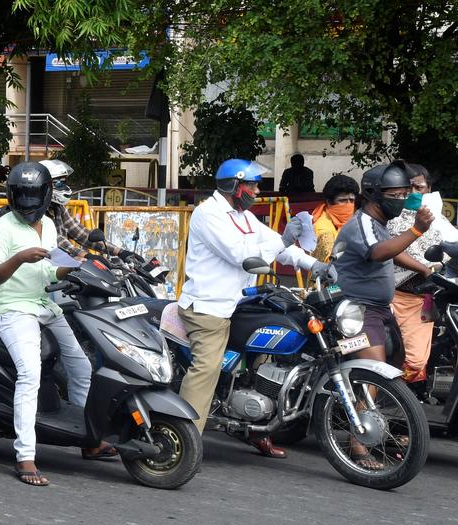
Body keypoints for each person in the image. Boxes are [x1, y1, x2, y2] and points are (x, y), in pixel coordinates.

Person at [177, 158, 328, 459]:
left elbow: (278, 246)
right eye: (253, 185)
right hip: (209, 307)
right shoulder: (208, 214)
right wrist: (283, 239)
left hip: (242, 302)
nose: (258, 191)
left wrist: (315, 265)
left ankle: (254, 427)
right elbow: (241, 256)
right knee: (206, 369)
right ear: (234, 186)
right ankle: (183, 441)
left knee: (265, 359)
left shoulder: (243, 216)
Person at [0, 162, 112, 488]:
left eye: (34, 199)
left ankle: (88, 440)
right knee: (30, 374)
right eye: (22, 199)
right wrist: (19, 258)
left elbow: (51, 272)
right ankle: (25, 455)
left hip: (45, 304)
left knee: (81, 367)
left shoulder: (51, 225)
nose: (28, 207)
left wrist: (74, 266)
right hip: (14, 308)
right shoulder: (1, 228)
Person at [332, 160, 434, 467]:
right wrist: (417, 230)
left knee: (394, 365)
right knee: (373, 374)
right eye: (396, 195)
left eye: (405, 194)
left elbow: (391, 249)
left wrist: (423, 268)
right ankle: (358, 444)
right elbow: (378, 252)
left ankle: (374, 424)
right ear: (374, 194)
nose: (402, 200)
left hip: (379, 309)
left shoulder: (379, 223)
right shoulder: (362, 222)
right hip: (357, 311)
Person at [0, 159, 147, 265]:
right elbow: (57, 242)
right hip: (37, 271)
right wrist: (88, 256)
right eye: (58, 183)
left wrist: (120, 252)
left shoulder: (57, 208)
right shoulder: (30, 212)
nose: (63, 187)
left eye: (63, 182)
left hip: (59, 268)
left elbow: (80, 233)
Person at [383, 164, 455, 384]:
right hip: (397, 296)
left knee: (416, 362)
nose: (413, 193)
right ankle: (385, 395)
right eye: (407, 189)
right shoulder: (389, 215)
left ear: (428, 188)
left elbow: (453, 243)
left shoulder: (436, 217)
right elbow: (391, 250)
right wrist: (423, 269)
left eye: (419, 187)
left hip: (428, 299)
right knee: (396, 357)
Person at [305, 174, 360, 262]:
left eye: (352, 200)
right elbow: (333, 261)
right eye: (343, 200)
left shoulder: (356, 219)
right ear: (329, 202)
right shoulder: (323, 230)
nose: (348, 205)